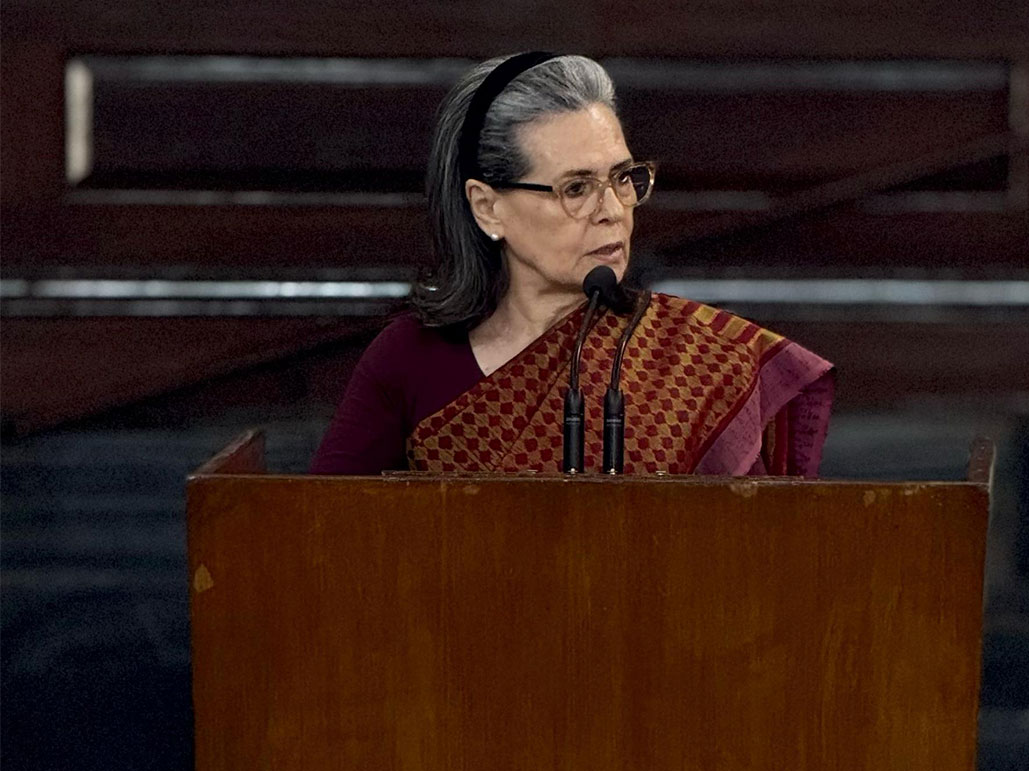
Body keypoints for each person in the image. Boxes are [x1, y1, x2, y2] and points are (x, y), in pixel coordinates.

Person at [310, 52, 833, 476]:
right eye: (576, 188)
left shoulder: (706, 359)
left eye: (624, 178)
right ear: (488, 206)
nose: (611, 212)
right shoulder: (409, 360)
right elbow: (319, 533)